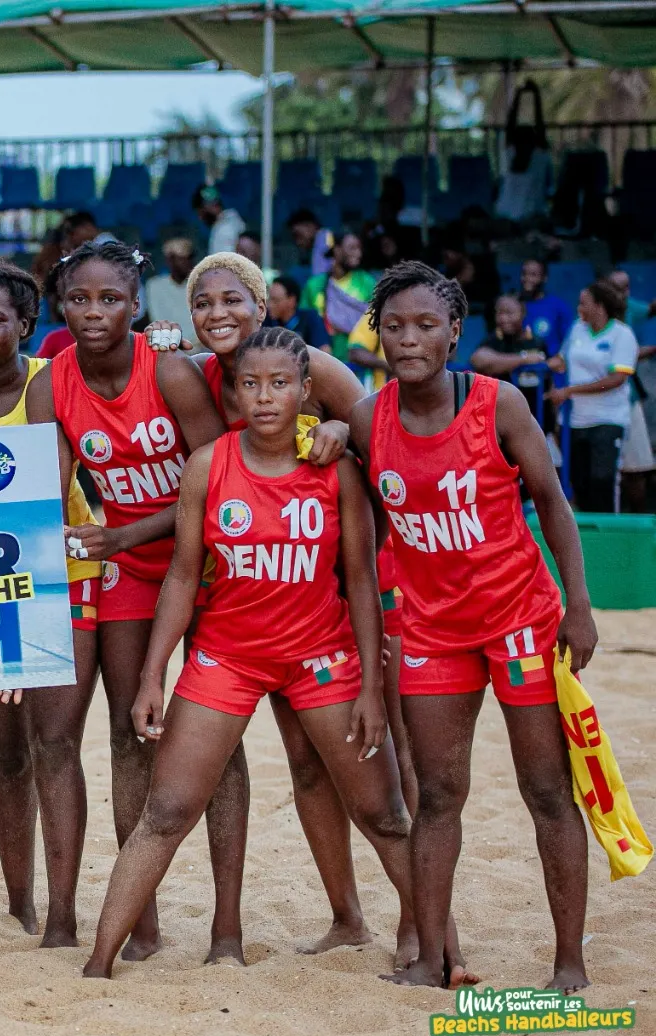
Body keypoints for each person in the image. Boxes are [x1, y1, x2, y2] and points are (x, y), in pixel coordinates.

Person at [83, 327, 414, 979]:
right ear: (234, 392)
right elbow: (182, 574)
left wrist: (372, 689)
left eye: (280, 384)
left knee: (383, 812)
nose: (264, 397)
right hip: (227, 657)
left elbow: (359, 581)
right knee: (168, 810)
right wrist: (154, 673)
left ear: (305, 392)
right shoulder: (209, 465)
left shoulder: (336, 470)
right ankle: (98, 963)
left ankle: (431, 941)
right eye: (251, 384)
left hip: (320, 656)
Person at [352, 260, 596, 993]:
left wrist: (578, 606)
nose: (408, 338)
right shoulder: (369, 419)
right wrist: (334, 431)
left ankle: (569, 963)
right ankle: (431, 958)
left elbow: (551, 502)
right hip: (430, 633)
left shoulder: (501, 404)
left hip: (520, 620)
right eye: (393, 325)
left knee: (547, 791)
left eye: (426, 324)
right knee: (438, 794)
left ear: (455, 332)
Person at [23, 240, 246, 964]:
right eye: (80, 299)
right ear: (61, 304)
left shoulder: (171, 372)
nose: (94, 312)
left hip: (203, 561)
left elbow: (219, 485)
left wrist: (122, 535)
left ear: (136, 304)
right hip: (125, 568)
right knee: (129, 735)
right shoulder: (49, 385)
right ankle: (140, 920)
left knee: (220, 746)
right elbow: (37, 494)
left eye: (110, 299)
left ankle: (227, 928)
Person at [0, 262, 102, 946]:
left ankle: (63, 917)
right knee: (7, 754)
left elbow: (45, 500)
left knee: (56, 746)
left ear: (26, 327)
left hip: (59, 576)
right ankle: (20, 905)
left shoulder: (52, 384)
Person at [551, 280, 636, 512]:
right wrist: (535, 362)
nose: (578, 308)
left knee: (603, 480)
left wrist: (570, 391)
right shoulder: (577, 329)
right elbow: (561, 360)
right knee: (580, 483)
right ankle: (588, 542)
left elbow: (617, 378)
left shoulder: (622, 334)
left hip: (609, 418)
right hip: (576, 419)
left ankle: (611, 536)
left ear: (599, 306)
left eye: (583, 303)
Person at [471, 292, 557, 428]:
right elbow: (478, 359)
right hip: (504, 423)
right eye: (499, 313)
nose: (504, 318)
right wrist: (523, 359)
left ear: (523, 313)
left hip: (538, 422)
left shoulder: (536, 342)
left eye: (509, 313)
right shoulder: (495, 340)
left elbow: (550, 381)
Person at [302, 231, 374, 363]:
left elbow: (375, 322)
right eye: (352, 248)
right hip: (322, 362)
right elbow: (304, 323)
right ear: (337, 250)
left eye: (359, 248)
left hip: (359, 364)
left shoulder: (367, 283)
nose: (358, 253)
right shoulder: (314, 285)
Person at [496, 82, 551, 227]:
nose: (523, 146)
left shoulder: (537, 160)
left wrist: (535, 95)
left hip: (531, 221)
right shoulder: (511, 157)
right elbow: (510, 128)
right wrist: (518, 95)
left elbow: (540, 126)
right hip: (506, 222)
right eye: (520, 142)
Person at [143, 239, 198, 352]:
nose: (187, 263)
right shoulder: (155, 285)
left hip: (199, 347)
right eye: (181, 259)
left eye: (189, 258)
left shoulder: (200, 285)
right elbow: (157, 319)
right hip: (167, 347)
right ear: (170, 261)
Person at [520, 259, 575, 358]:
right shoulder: (514, 305)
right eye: (524, 274)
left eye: (533, 275)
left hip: (549, 369)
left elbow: (569, 343)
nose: (527, 278)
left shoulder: (558, 306)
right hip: (519, 367)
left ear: (544, 278)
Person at [265, 275, 330, 351]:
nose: (269, 305)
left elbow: (325, 351)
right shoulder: (266, 320)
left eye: (275, 300)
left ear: (291, 300)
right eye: (269, 299)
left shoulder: (310, 318)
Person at [194, 184, 245, 256]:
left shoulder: (225, 229)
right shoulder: (227, 223)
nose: (200, 218)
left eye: (199, 212)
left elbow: (227, 263)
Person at [288, 208, 332, 281]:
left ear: (310, 226)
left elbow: (318, 279)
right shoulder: (318, 242)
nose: (298, 242)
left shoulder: (325, 238)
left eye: (298, 235)